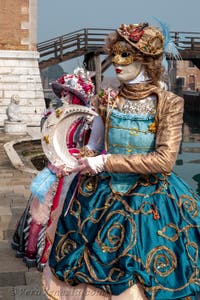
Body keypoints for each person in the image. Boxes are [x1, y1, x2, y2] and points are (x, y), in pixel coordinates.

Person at [42, 22, 200, 300]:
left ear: (146, 59)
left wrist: (104, 163)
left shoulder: (168, 103)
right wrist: (75, 161)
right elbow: (94, 146)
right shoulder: (107, 98)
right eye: (114, 53)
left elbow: (164, 161)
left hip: (153, 198)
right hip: (104, 196)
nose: (116, 60)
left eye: (126, 54)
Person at [11, 67, 99, 271]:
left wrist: (78, 157)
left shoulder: (86, 121)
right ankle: (35, 249)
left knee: (63, 208)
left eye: (69, 94)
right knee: (40, 208)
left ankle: (56, 252)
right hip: (55, 166)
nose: (64, 97)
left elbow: (90, 147)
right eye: (64, 93)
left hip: (73, 168)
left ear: (78, 98)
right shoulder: (56, 116)